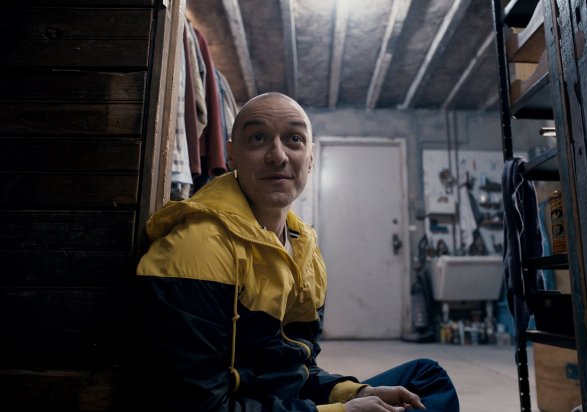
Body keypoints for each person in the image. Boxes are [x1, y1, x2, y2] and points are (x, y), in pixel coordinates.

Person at [133, 92, 460, 411]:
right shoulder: (197, 248)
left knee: (426, 378)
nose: (278, 156)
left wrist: (355, 392)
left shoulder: (303, 247)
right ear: (231, 155)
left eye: (294, 139)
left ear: (311, 157)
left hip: (279, 402)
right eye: (258, 138)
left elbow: (296, 368)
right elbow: (197, 404)